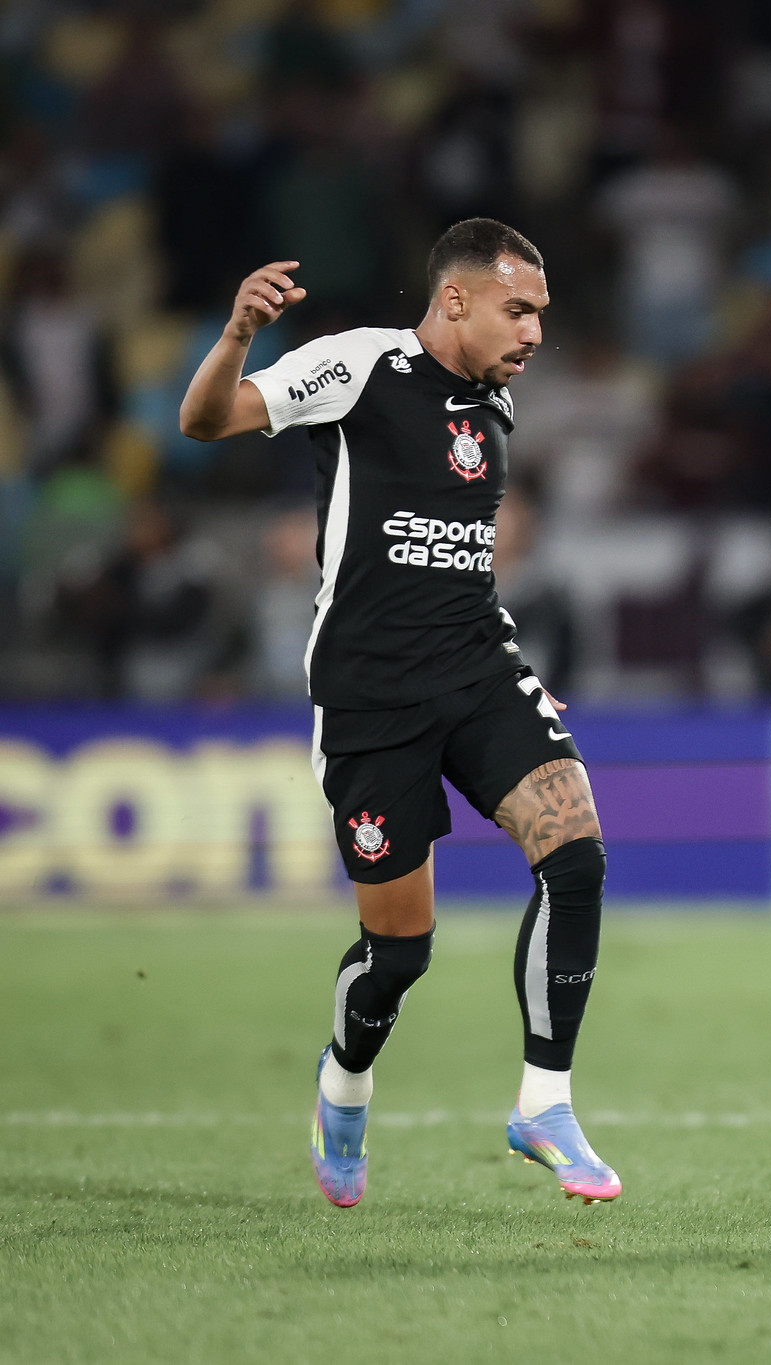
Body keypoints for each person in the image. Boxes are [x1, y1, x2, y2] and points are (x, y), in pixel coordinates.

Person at [177, 220, 619, 1209]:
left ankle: (544, 1103)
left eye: (542, 312)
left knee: (576, 853)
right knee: (399, 951)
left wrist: (517, 677)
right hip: (371, 698)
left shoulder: (493, 403)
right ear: (455, 299)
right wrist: (238, 334)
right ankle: (344, 1083)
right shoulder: (358, 368)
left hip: (478, 667)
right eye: (521, 308)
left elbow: (454, 560)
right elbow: (206, 422)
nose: (537, 331)